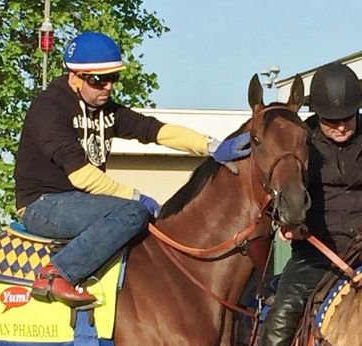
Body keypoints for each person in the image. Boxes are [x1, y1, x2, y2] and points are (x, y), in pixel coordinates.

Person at [13, 31, 250, 308]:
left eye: (113, 78)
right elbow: (81, 175)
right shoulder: (49, 108)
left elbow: (153, 130)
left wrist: (211, 146)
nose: (107, 87)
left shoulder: (104, 109)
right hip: (42, 205)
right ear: (74, 76)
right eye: (98, 80)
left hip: (80, 201)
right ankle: (56, 273)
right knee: (133, 212)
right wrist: (135, 196)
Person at [247, 61, 362, 346]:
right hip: (317, 253)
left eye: (347, 118)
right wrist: (285, 224)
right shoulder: (300, 141)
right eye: (331, 121)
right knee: (282, 313)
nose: (341, 127)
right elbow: (275, 190)